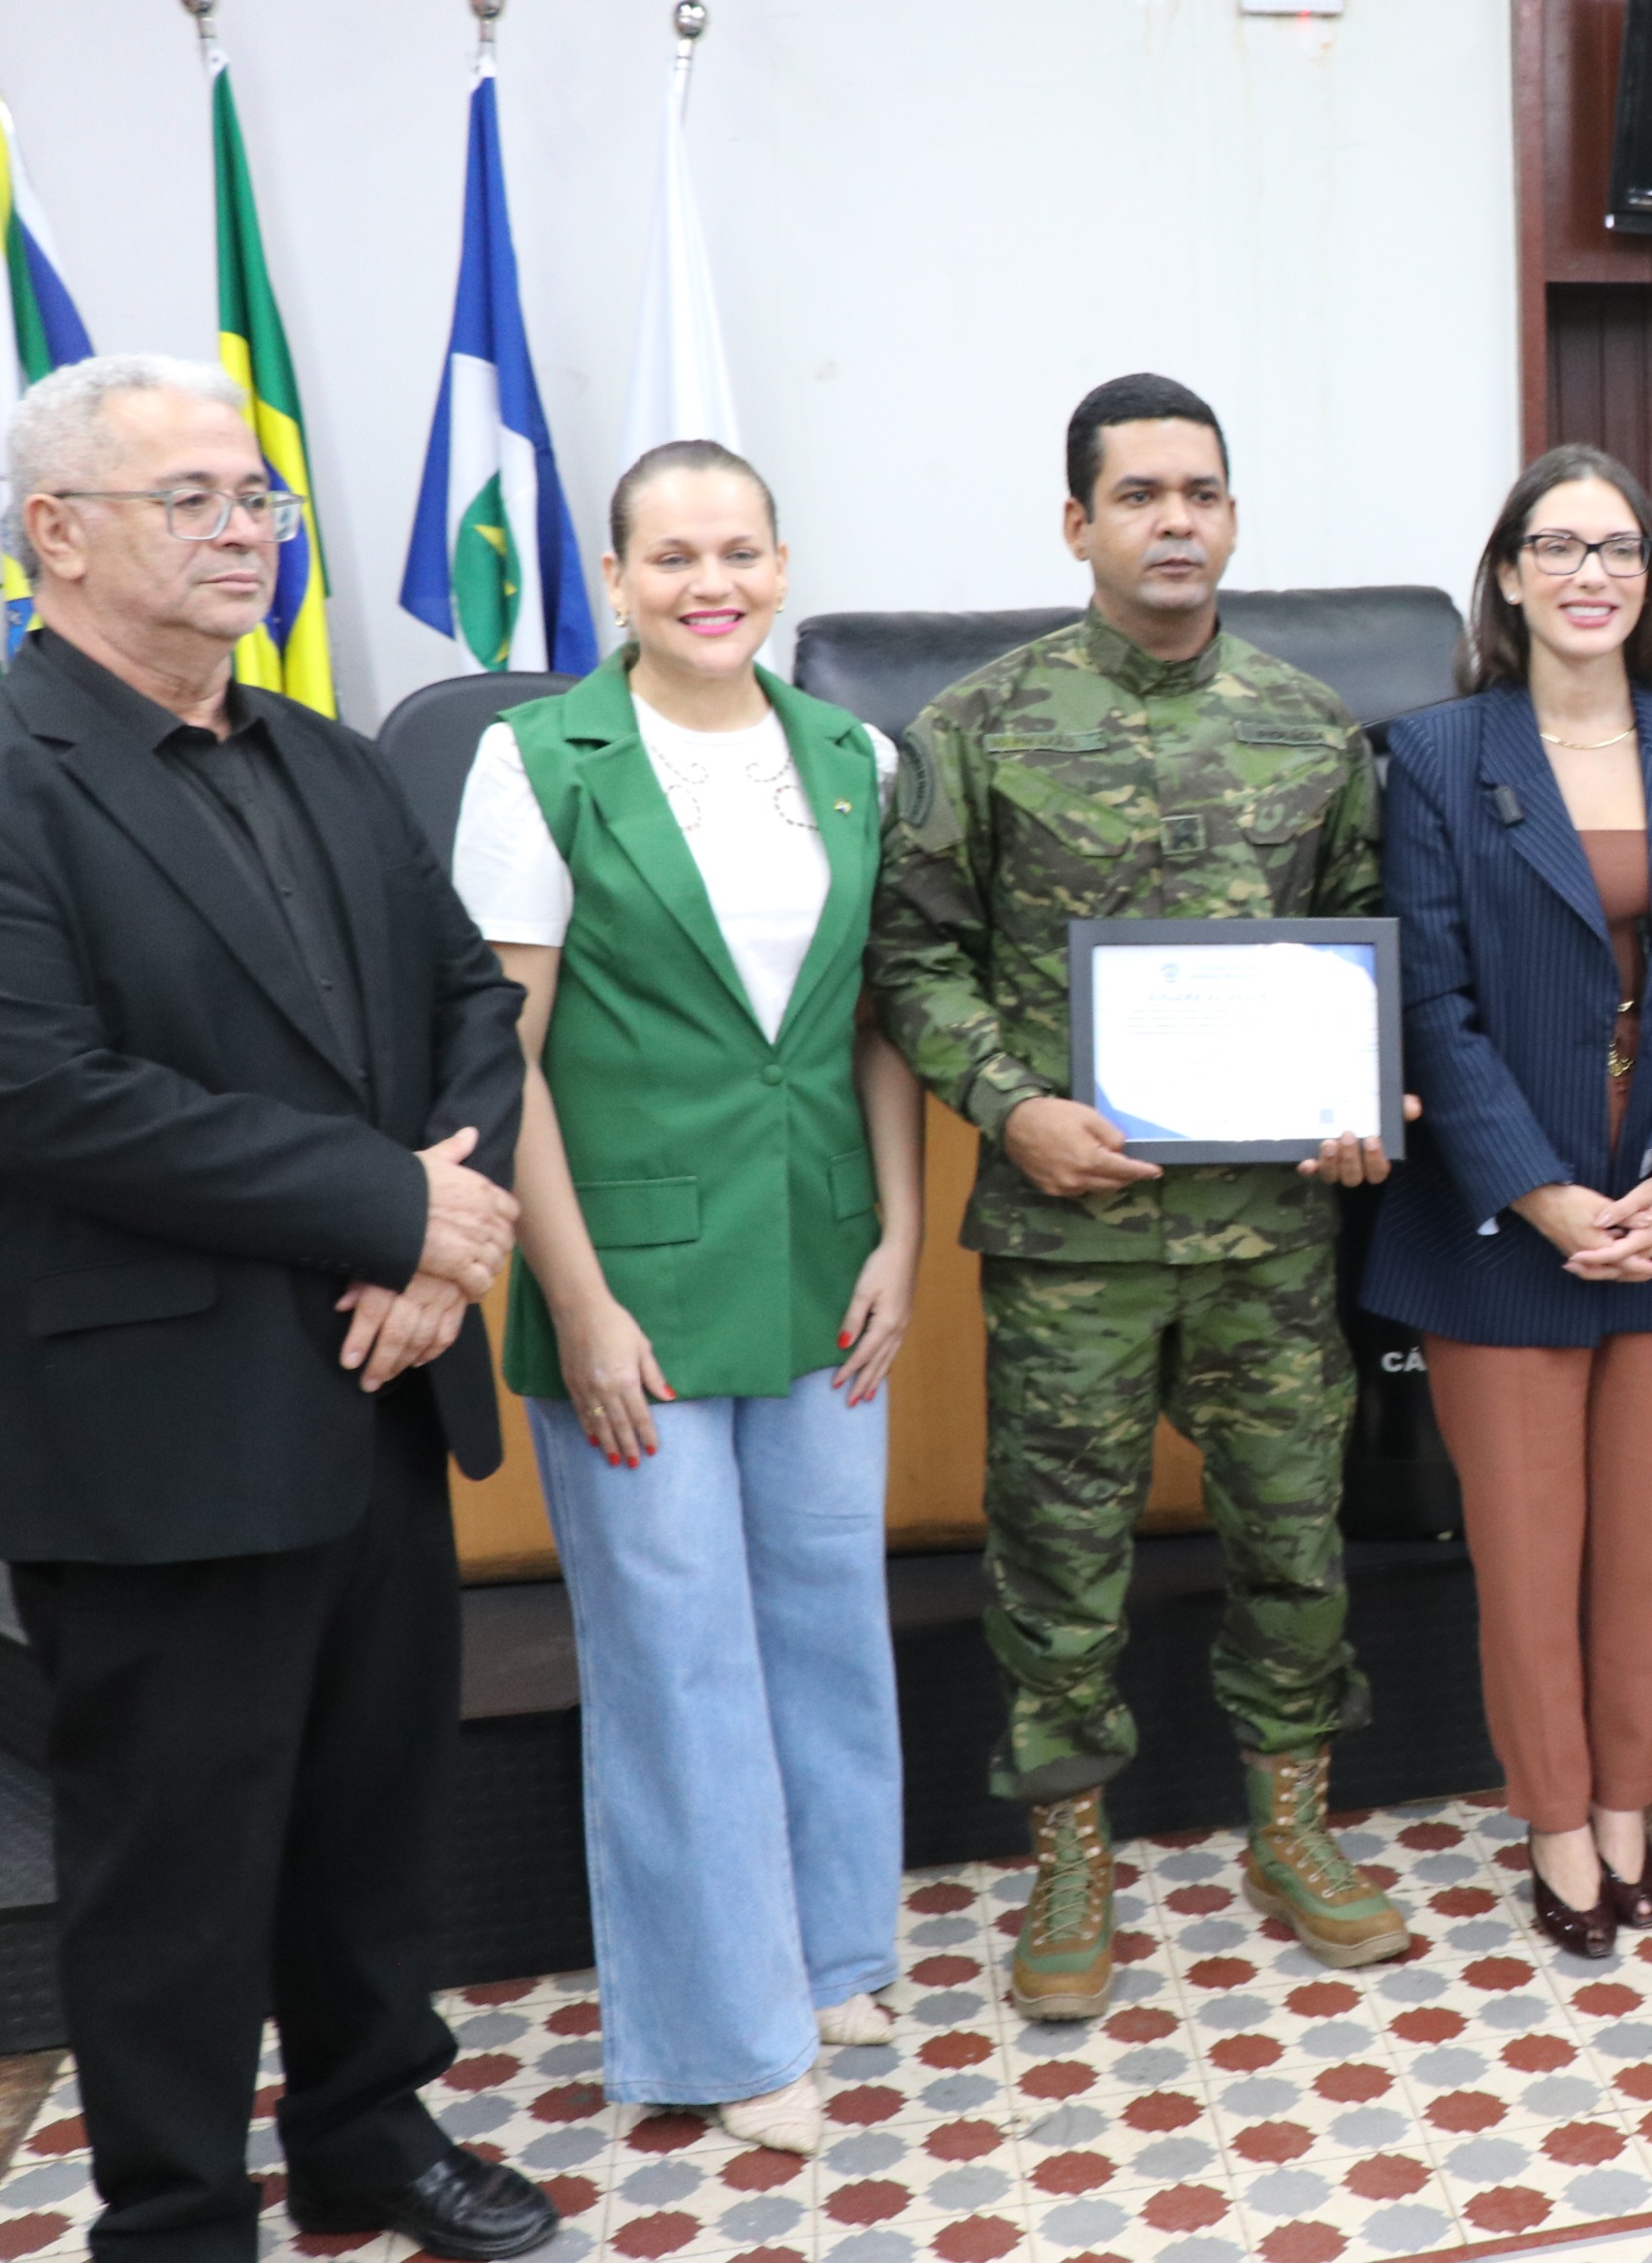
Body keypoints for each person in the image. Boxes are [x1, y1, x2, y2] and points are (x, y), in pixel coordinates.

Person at [0, 357, 552, 2261]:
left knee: (373, 1818)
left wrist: (430, 1244)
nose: (246, 529)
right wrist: (390, 1202)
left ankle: (367, 2141)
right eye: (196, 500)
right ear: (55, 532)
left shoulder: (325, 747)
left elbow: (473, 1003)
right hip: (159, 1426)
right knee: (172, 1870)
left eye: (261, 500)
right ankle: (170, 2213)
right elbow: (39, 1087)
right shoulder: (12, 772)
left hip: (377, 1387)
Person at [869, 372, 1413, 2002]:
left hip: (1267, 1236)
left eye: (1201, 493)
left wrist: (1362, 1098)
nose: (1174, 520)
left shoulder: (1312, 727)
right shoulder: (975, 727)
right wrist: (1011, 1104)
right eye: (1138, 495)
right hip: (1074, 1235)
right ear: (1077, 524)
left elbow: (1365, 945)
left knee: (1293, 1537)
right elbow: (910, 954)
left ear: (1232, 519)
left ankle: (1293, 1821)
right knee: (1058, 1557)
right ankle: (1068, 1865)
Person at [448, 442, 923, 2152]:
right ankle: (721, 2033)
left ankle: (834, 1945)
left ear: (783, 567)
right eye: (671, 556)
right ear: (618, 576)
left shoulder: (853, 754)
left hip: (823, 1255)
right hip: (624, 1274)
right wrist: (567, 1300)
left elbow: (878, 1019)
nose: (708, 581)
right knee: (676, 1651)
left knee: (821, 1615)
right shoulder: (537, 758)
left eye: (737, 550)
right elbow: (504, 1055)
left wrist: (902, 1233)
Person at [1362, 447, 1652, 1955]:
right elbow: (1434, 1004)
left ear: (1647, 582)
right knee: (1530, 1557)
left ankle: (1626, 1808)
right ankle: (1552, 1822)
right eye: (1560, 546)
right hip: (1499, 1229)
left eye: (1620, 548)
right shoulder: (1431, 754)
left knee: (1645, 1547)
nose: (1591, 573)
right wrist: (1542, 1195)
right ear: (1511, 574)